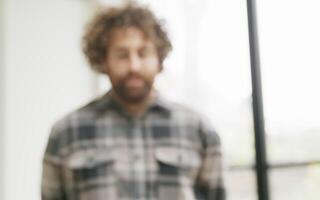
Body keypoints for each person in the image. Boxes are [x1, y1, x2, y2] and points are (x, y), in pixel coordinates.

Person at [41, 2, 226, 200]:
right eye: (122, 55)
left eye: (143, 53)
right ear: (104, 60)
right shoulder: (66, 132)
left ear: (159, 57)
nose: (134, 66)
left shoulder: (199, 130)